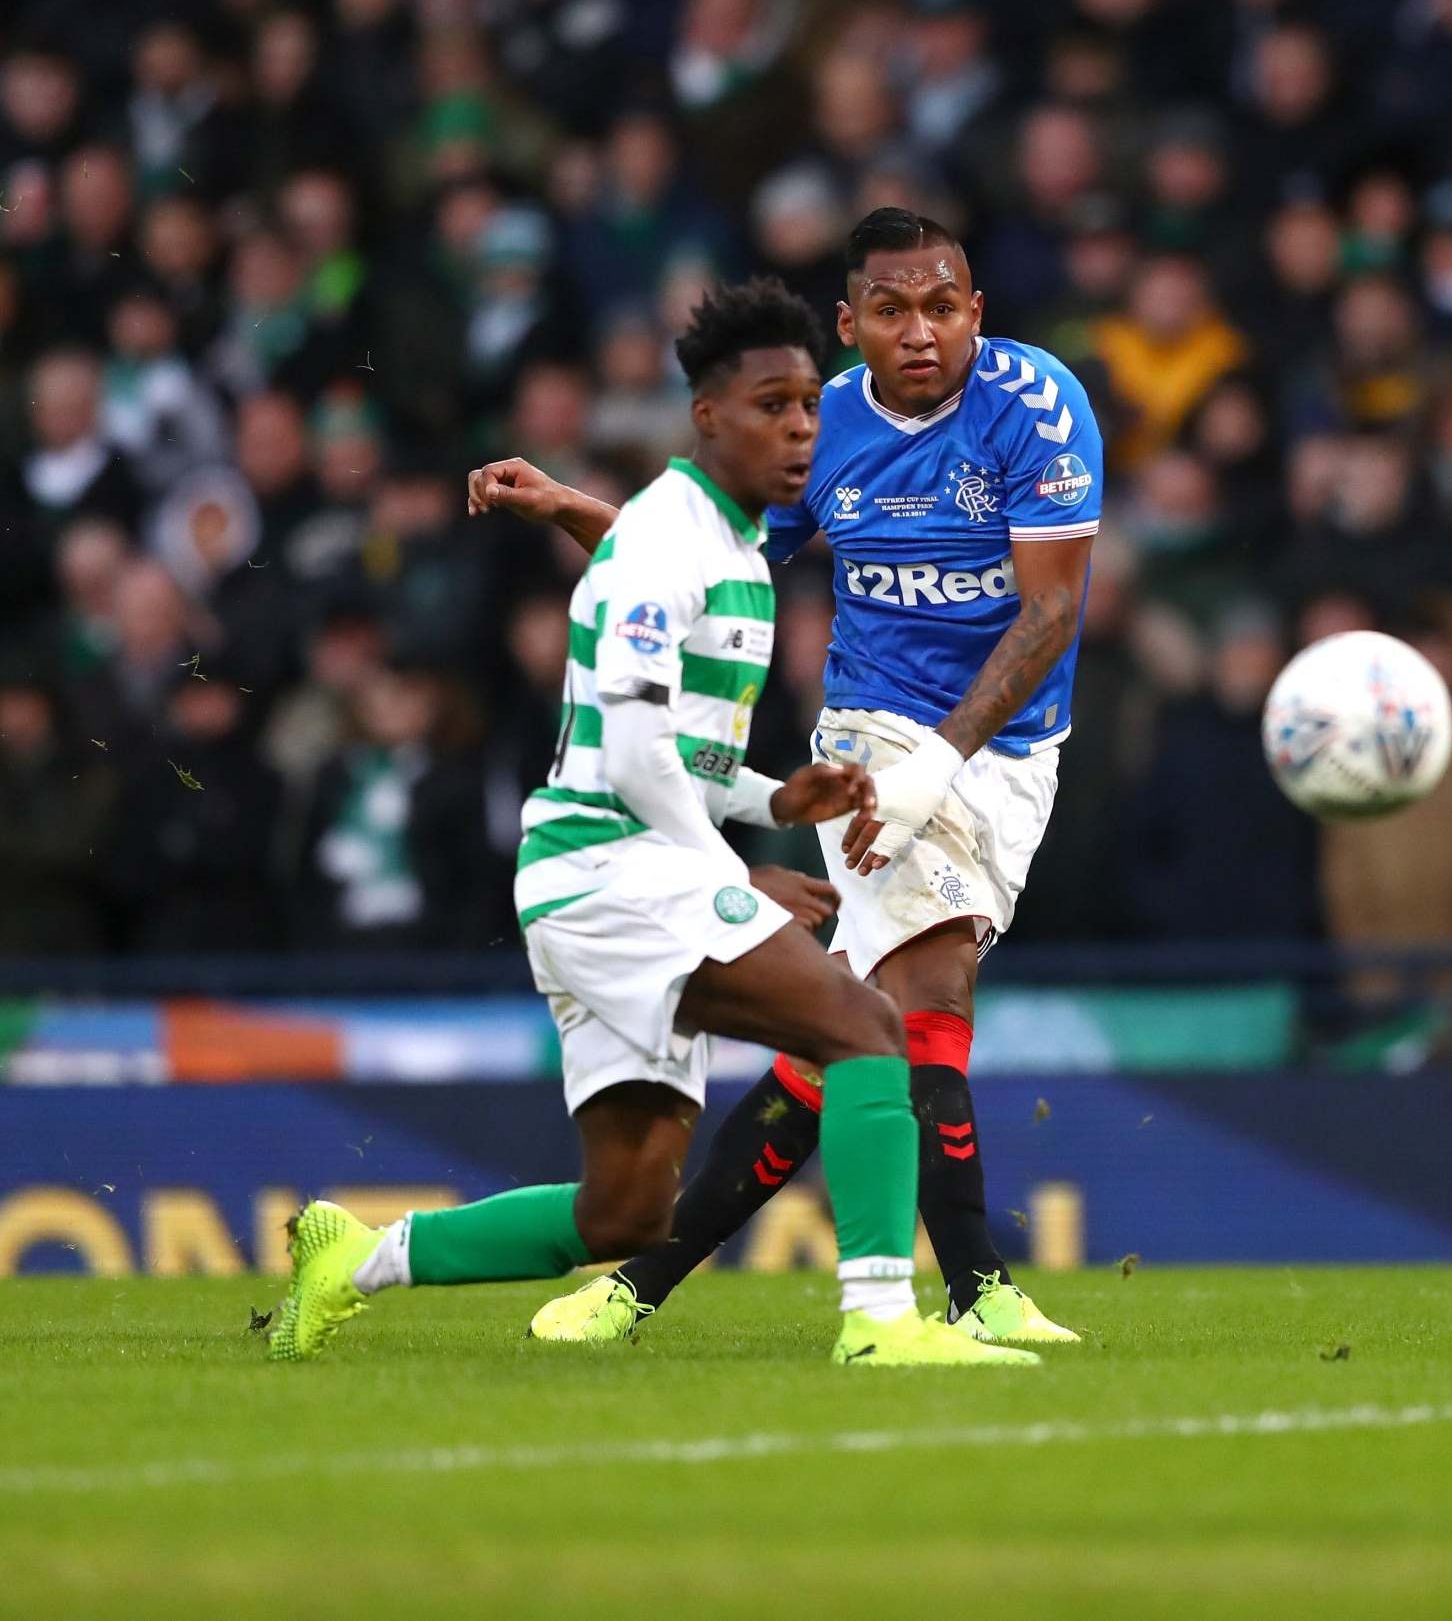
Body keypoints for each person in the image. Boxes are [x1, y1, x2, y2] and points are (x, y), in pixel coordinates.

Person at [269, 277, 1033, 1370]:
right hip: (607, 870)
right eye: (773, 405)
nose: (801, 428)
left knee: (624, 1212)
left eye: (811, 404)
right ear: (707, 416)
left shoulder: (729, 552)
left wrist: (774, 799)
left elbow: (682, 756)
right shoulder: (666, 547)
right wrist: (737, 868)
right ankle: (880, 1322)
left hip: (605, 875)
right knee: (864, 1027)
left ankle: (355, 1258)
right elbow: (631, 760)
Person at [470, 209, 1095, 1349]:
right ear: (850, 325)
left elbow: (1050, 609)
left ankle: (638, 1283)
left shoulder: (1037, 404)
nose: (921, 332)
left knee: (837, 1045)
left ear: (977, 313)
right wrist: (573, 508)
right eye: (893, 312)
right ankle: (974, 1287)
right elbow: (697, 560)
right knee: (928, 995)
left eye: (943, 306)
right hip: (869, 733)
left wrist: (947, 761)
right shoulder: (820, 429)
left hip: (1006, 750)